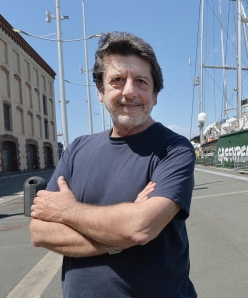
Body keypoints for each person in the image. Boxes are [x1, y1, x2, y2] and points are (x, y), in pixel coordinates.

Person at [29, 31, 197, 297]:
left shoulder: (174, 149)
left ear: (154, 95)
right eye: (117, 80)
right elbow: (39, 232)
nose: (129, 91)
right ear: (100, 91)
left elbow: (139, 228)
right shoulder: (76, 150)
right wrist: (117, 240)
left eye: (141, 81)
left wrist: (67, 211)